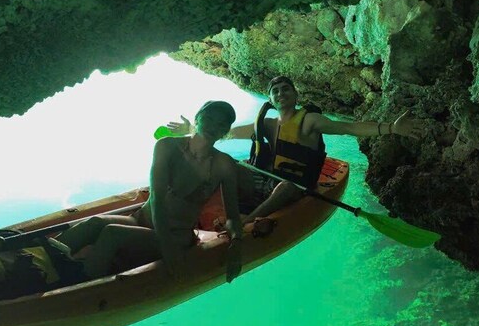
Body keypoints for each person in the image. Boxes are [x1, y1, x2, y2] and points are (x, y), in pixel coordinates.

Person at [166, 76, 423, 223]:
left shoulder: (309, 121)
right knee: (227, 165)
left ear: (295, 95)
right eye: (275, 91)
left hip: (293, 186)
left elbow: (348, 127)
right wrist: (192, 129)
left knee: (286, 187)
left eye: (285, 89)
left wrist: (391, 128)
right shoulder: (266, 124)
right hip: (265, 181)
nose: (281, 93)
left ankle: (248, 219)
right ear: (270, 99)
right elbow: (224, 132)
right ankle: (189, 201)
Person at [56, 100, 243, 283]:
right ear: (197, 118)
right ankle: (44, 255)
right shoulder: (167, 146)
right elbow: (157, 199)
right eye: (209, 119)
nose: (213, 127)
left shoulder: (223, 164)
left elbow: (232, 216)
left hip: (175, 235)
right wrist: (167, 251)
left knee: (112, 233)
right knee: (95, 223)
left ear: (226, 131)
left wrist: (236, 244)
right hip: (141, 220)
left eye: (221, 124)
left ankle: (74, 286)